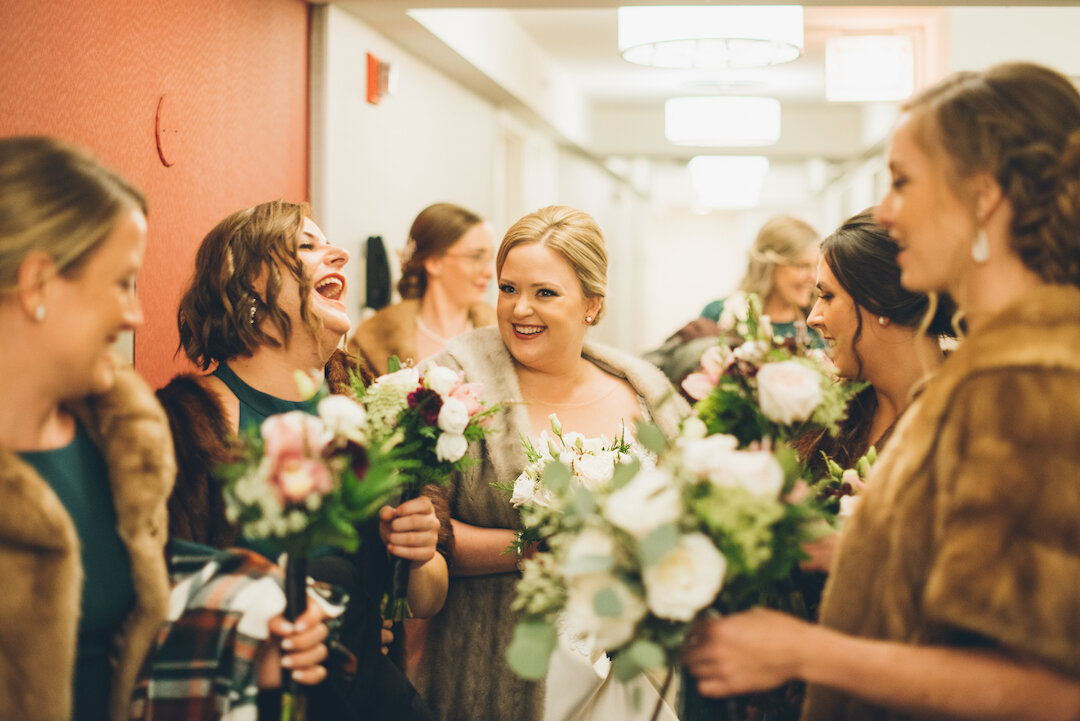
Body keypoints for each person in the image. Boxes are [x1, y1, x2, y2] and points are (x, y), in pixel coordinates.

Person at [683, 62, 1080, 721]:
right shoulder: (988, 366)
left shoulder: (1024, 381)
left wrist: (803, 652)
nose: (887, 211)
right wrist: (863, 543)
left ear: (982, 196)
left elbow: (1048, 687)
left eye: (901, 182)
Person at [0, 137, 326, 721]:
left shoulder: (122, 438)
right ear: (38, 285)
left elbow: (142, 611)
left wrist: (254, 623)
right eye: (122, 282)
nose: (135, 315)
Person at [156, 200, 452, 719]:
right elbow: (161, 600)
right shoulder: (187, 426)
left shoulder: (374, 414)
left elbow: (424, 601)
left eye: (329, 243)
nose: (338, 254)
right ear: (247, 283)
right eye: (307, 247)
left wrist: (421, 553)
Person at [412, 205, 688, 721]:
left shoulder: (645, 396)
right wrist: (537, 549)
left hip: (638, 669)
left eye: (545, 293)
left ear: (592, 304)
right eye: (508, 289)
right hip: (498, 668)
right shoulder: (454, 392)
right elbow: (428, 534)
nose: (520, 310)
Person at [646, 215, 822, 391]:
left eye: (816, 266)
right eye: (801, 266)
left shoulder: (819, 323)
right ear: (770, 265)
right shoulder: (719, 314)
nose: (813, 277)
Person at [349, 202, 496, 374]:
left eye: (490, 258)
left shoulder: (500, 336)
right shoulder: (372, 342)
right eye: (476, 257)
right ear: (434, 262)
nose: (490, 272)